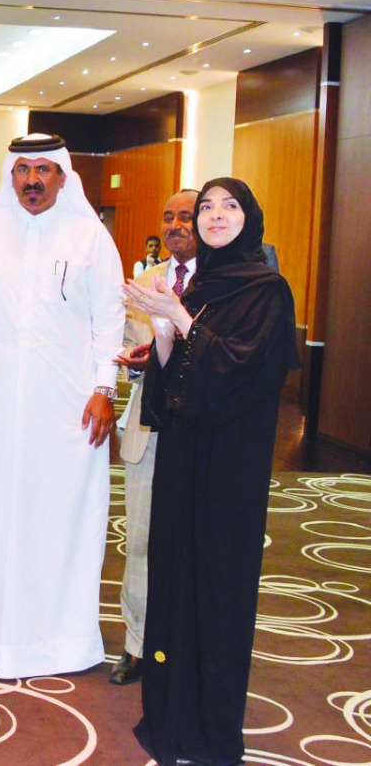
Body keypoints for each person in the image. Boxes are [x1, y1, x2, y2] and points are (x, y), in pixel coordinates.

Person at [0, 133, 124, 678]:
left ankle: (55, 638)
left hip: (67, 406)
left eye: (44, 170)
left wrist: (104, 389)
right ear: (10, 174)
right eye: (23, 170)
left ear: (63, 177)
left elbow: (108, 320)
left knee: (58, 512)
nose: (33, 180)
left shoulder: (90, 237)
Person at [125, 178, 297, 766]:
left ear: (249, 217)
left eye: (228, 207)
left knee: (216, 589)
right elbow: (178, 380)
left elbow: (237, 371)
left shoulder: (267, 289)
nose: (214, 216)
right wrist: (166, 335)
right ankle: (170, 717)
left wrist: (177, 314)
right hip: (183, 454)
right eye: (206, 208)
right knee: (175, 575)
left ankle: (210, 732)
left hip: (229, 467)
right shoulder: (202, 284)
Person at [109, 188, 198, 686]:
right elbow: (125, 347)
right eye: (168, 217)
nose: (176, 225)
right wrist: (135, 358)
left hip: (203, 433)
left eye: (187, 216)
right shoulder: (143, 281)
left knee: (194, 540)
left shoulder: (224, 283)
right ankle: (137, 644)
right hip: (148, 427)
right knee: (140, 540)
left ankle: (188, 643)